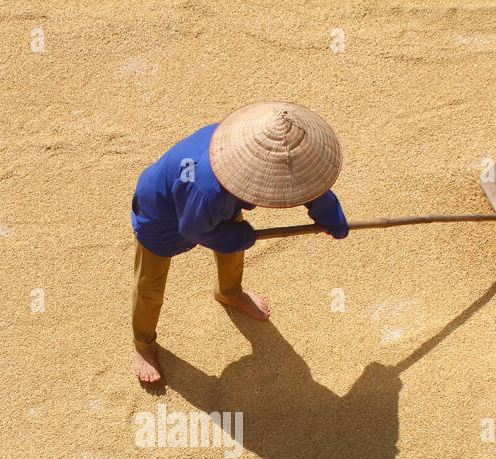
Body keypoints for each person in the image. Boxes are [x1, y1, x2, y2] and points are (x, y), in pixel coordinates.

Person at [129, 101, 349, 383]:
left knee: (232, 244)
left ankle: (229, 293)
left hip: (219, 199)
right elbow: (193, 229)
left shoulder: (275, 150)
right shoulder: (206, 190)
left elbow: (305, 183)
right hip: (161, 213)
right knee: (150, 283)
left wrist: (332, 219)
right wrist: (240, 236)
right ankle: (143, 345)